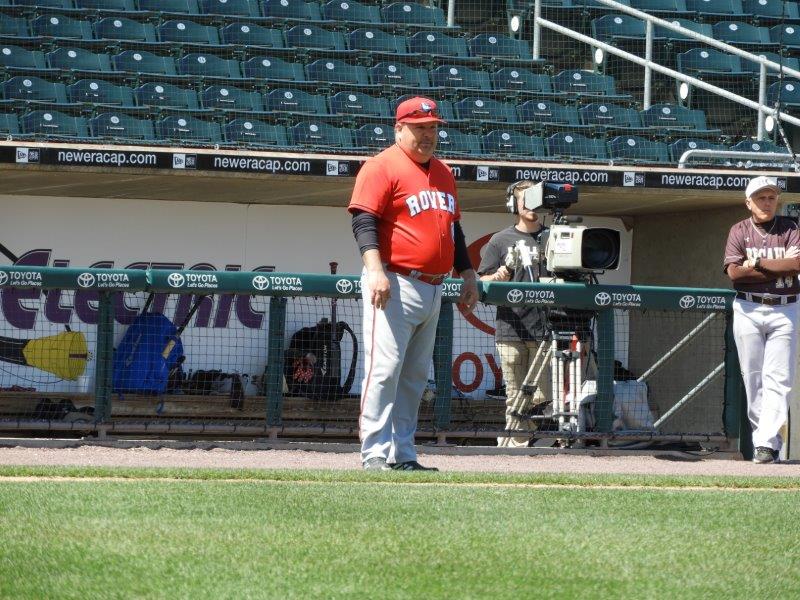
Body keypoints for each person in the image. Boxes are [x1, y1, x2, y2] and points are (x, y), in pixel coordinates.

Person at [348, 96, 480, 471]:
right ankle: (373, 452)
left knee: (415, 376)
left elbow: (453, 228)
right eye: (420, 127)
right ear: (399, 128)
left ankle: (402, 454)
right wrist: (374, 270)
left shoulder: (443, 172)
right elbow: (363, 221)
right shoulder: (381, 166)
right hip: (394, 280)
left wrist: (467, 273)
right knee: (385, 369)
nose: (428, 134)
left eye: (433, 127)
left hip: (434, 286)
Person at [724, 175, 800, 463]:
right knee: (753, 378)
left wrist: (755, 263)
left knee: (778, 379)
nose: (766, 202)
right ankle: (764, 442)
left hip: (787, 307)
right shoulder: (738, 230)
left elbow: (797, 264)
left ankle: (766, 444)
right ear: (749, 203)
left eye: (771, 197)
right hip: (748, 309)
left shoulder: (791, 227)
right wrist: (778, 268)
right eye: (760, 198)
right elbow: (734, 274)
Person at [477, 181, 550, 447]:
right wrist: (498, 275)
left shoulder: (553, 236)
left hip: (547, 330)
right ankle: (516, 450)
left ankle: (527, 442)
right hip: (511, 329)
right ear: (514, 206)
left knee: (544, 397)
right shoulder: (500, 240)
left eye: (535, 200)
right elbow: (482, 280)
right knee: (516, 395)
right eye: (525, 201)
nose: (531, 206)